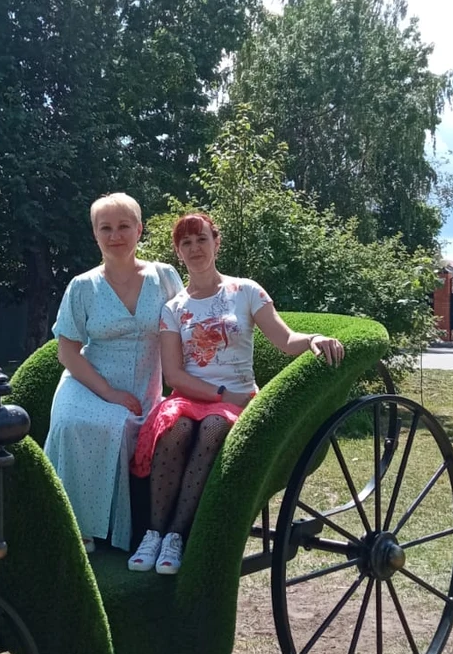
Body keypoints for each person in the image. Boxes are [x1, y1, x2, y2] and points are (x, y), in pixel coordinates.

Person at [129, 211, 344, 575]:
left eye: (201, 239)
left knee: (213, 427)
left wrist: (313, 340)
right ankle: (153, 534)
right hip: (193, 395)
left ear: (216, 241)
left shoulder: (245, 291)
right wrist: (219, 391)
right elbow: (175, 375)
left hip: (236, 400)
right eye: (186, 243)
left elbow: (285, 339)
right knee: (175, 428)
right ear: (178, 252)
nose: (195, 248)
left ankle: (177, 538)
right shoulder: (173, 309)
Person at [44, 193, 182, 554]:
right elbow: (67, 352)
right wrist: (109, 393)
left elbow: (189, 325)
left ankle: (126, 530)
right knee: (81, 424)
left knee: (127, 425)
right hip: (87, 385)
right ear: (95, 234)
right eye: (106, 228)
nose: (115, 235)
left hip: (145, 391)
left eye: (124, 226)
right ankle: (76, 525)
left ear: (139, 230)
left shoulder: (164, 277)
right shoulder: (82, 286)